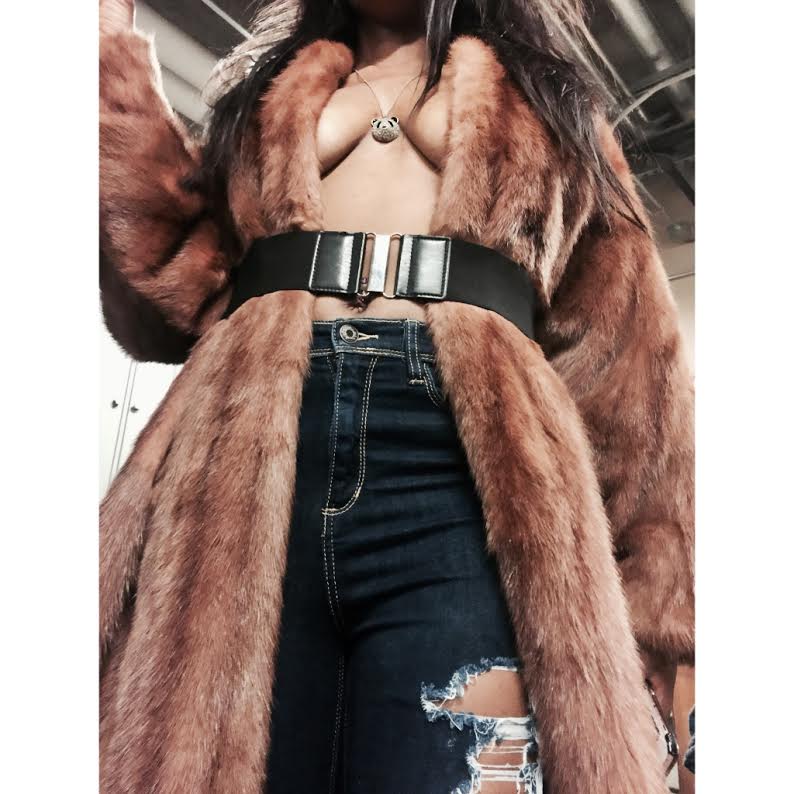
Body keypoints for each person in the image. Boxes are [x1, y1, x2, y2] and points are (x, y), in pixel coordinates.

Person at [99, 1, 694, 792]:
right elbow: (167, 290)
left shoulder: (550, 105)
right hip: (245, 465)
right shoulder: (265, 101)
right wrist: (107, 68)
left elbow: (633, 373)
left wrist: (672, 634)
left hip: (466, 482)